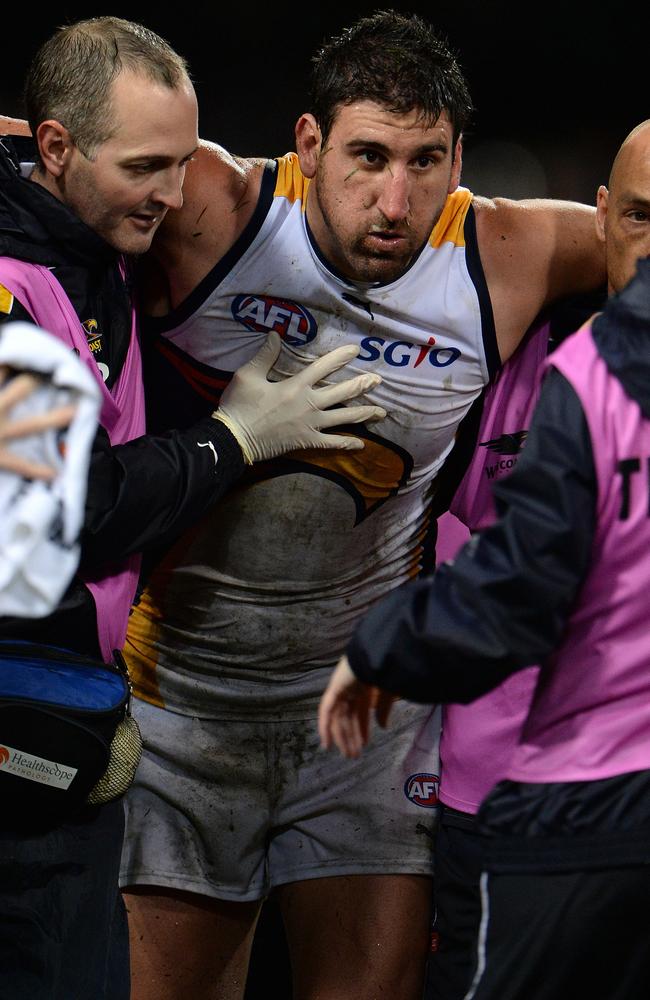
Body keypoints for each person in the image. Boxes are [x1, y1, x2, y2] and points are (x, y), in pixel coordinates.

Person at [111, 10, 608, 1000]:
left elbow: (633, 221)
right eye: (367, 157)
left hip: (363, 713)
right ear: (306, 144)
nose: (394, 199)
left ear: (457, 156)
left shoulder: (502, 251)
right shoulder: (217, 208)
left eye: (425, 162)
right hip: (179, 703)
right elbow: (59, 143)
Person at [0, 17, 384, 1000]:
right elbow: (63, 508)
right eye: (146, 166)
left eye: (182, 159)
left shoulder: (81, 231)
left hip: (64, 721)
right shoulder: (9, 284)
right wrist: (235, 439)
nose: (173, 195)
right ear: (53, 148)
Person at [319, 119, 650, 1000]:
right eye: (642, 220)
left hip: (569, 803)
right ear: (601, 218)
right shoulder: (490, 360)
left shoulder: (592, 382)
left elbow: (520, 586)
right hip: (483, 796)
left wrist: (386, 647)